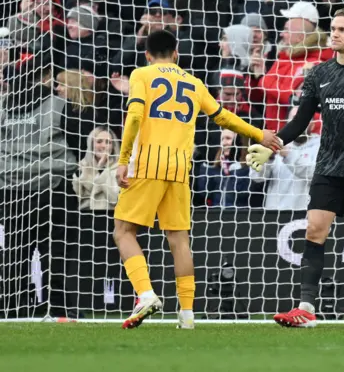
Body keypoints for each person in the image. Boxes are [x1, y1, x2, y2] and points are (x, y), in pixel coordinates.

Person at [113, 30, 282, 330]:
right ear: (176, 53)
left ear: (147, 54)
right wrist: (260, 134)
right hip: (180, 168)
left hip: (147, 164)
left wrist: (123, 159)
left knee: (124, 232)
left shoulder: (142, 74)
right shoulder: (193, 83)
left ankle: (145, 293)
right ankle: (187, 316)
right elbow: (223, 117)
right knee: (179, 240)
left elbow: (135, 115)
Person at [246, 8, 344, 328]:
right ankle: (305, 307)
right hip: (328, 167)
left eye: (343, 29)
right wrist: (270, 144)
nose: (335, 34)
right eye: (333, 29)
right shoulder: (319, 73)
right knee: (315, 231)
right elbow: (300, 122)